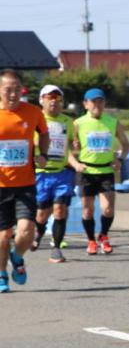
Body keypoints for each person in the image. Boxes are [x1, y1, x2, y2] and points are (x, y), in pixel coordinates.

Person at [0, 70, 48, 292]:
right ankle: (2, 275)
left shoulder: (33, 112)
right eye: (8, 89)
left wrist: (43, 154)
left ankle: (17, 257)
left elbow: (44, 134)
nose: (13, 94)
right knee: (2, 237)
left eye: (17, 89)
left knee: (27, 230)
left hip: (25, 183)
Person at [72, 88, 129, 255]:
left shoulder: (113, 122)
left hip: (106, 170)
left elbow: (126, 145)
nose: (97, 105)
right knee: (87, 210)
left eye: (100, 101)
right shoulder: (78, 123)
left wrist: (120, 160)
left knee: (107, 209)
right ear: (86, 104)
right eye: (93, 101)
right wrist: (75, 161)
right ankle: (91, 240)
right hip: (86, 171)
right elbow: (68, 147)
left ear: (104, 103)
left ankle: (103, 235)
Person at [34, 84, 75, 263]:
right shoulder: (36, 119)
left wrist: (76, 161)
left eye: (58, 99)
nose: (54, 102)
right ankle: (37, 234)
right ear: (41, 100)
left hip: (62, 173)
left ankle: (56, 248)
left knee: (60, 210)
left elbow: (71, 146)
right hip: (41, 173)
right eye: (50, 98)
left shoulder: (68, 121)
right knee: (42, 214)